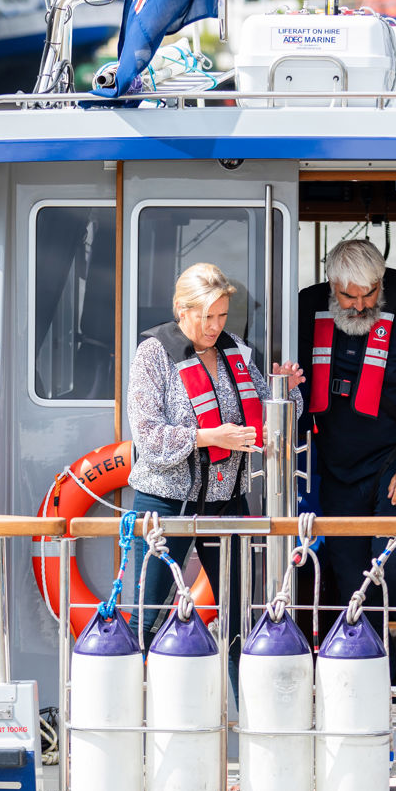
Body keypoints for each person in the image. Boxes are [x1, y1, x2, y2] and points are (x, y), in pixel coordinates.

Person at [127, 262, 304, 648]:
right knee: (148, 619)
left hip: (228, 505)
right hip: (165, 505)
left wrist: (285, 391)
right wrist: (210, 437)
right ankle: (142, 706)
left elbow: (270, 418)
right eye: (207, 316)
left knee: (242, 621)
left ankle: (246, 708)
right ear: (182, 310)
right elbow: (147, 437)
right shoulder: (153, 355)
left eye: (222, 315)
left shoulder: (234, 350)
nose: (215, 326)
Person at [297, 239, 396, 701]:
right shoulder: (304, 308)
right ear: (331, 287)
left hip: (393, 460)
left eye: (370, 293)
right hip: (333, 462)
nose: (361, 305)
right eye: (349, 296)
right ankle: (364, 666)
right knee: (346, 570)